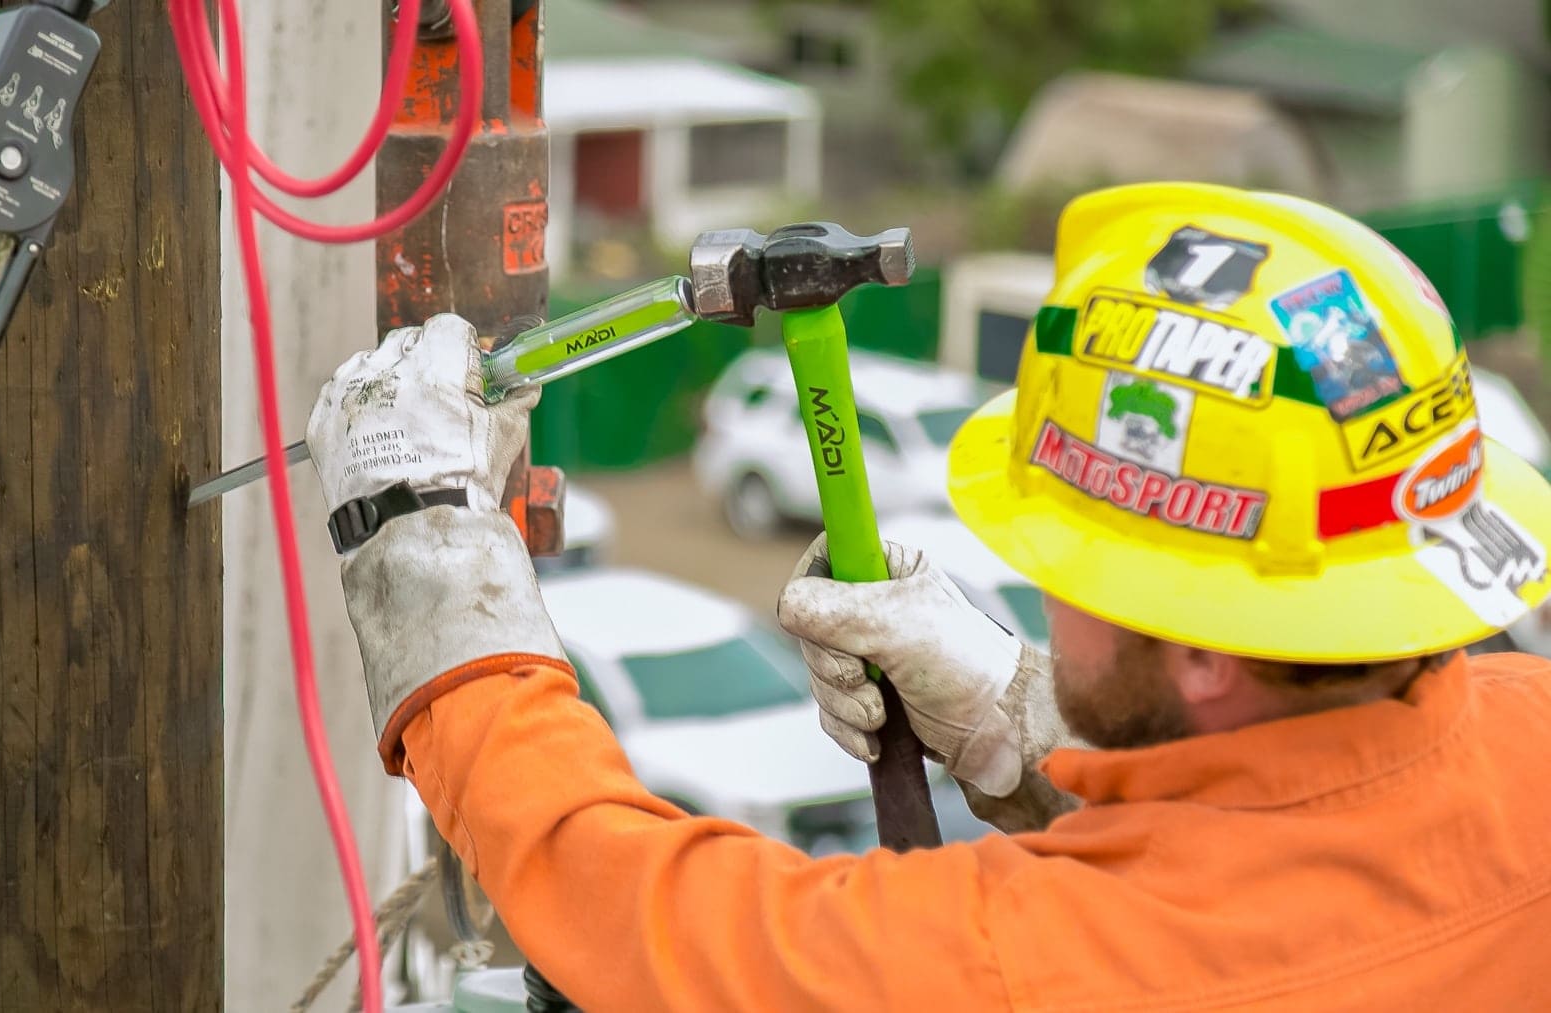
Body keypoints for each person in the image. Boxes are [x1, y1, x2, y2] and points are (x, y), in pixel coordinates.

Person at [306, 182, 1551, 1009]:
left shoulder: (1016, 964)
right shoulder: (1529, 737)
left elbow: (622, 915)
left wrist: (422, 552)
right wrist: (1027, 730)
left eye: (1073, 570)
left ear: (1205, 656)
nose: (1049, 606)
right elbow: (1300, 855)